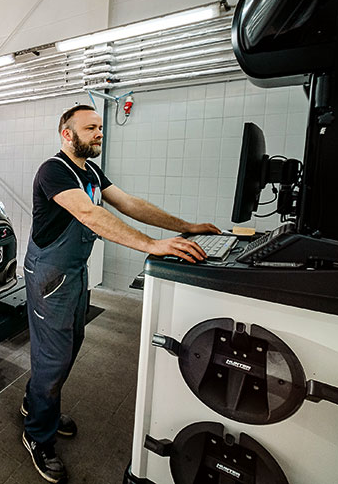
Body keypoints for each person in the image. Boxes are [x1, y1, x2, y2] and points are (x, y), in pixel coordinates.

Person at [21, 104, 220, 483]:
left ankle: (36, 404)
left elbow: (129, 204)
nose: (100, 133)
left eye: (100, 127)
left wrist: (186, 226)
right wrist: (151, 246)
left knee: (69, 345)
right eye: (91, 128)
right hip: (50, 276)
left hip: (73, 273)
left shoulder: (91, 171)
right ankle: (38, 435)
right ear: (67, 134)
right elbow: (91, 216)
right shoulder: (54, 171)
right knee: (54, 357)